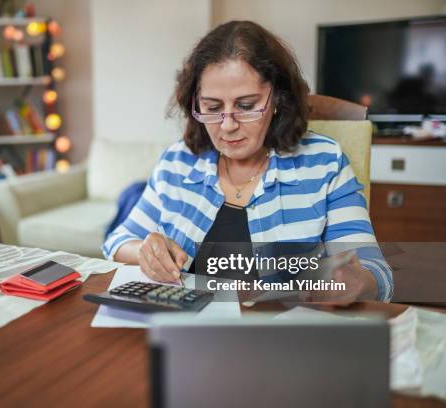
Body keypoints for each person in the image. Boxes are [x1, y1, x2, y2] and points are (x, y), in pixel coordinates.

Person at [102, 21, 393, 302]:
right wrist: (145, 250)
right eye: (213, 107)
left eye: (246, 106)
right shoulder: (178, 161)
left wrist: (354, 280)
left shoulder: (324, 163)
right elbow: (117, 241)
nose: (228, 125)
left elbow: (378, 275)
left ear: (277, 99)